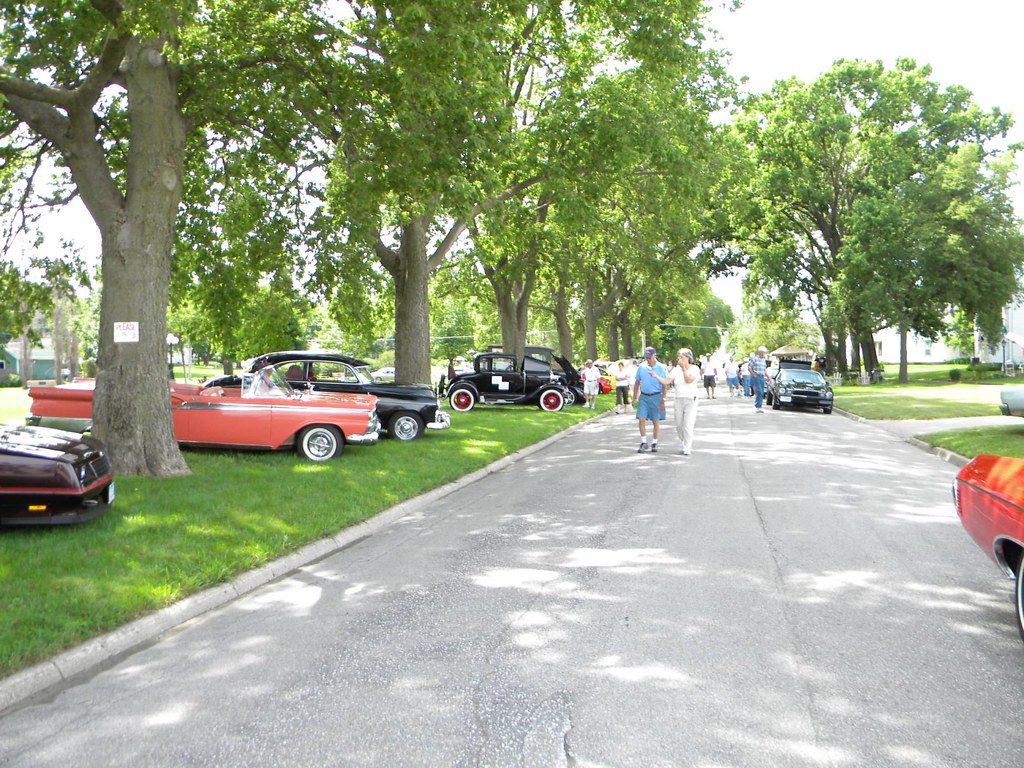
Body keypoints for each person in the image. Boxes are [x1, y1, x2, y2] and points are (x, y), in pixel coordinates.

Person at [649, 347, 700, 455]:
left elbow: (688, 380)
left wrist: (684, 369)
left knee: (687, 425)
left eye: (681, 356)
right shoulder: (676, 369)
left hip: (691, 400)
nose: (678, 358)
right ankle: (683, 441)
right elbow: (666, 381)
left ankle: (687, 446)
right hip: (678, 400)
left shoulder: (695, 368)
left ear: (687, 358)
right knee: (679, 425)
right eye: (678, 356)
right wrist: (655, 376)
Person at [632, 346, 667, 453]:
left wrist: (663, 399)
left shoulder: (661, 368)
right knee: (641, 418)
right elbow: (637, 382)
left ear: (654, 355)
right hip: (644, 397)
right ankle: (643, 442)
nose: (648, 360)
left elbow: (664, 384)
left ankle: (655, 443)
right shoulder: (642, 367)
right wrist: (634, 397)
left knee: (655, 420)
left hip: (656, 396)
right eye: (646, 357)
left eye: (649, 357)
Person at [749, 346, 769, 413]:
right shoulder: (754, 359)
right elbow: (749, 368)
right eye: (763, 352)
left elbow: (764, 369)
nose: (764, 353)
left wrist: (768, 377)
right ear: (760, 352)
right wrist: (753, 374)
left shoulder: (763, 360)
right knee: (759, 391)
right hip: (756, 376)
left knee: (762, 392)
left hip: (762, 377)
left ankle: (759, 407)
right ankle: (756, 406)